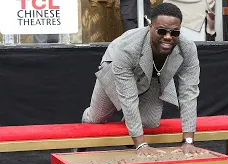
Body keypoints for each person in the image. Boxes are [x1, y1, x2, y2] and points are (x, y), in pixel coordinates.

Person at [80, 3, 205, 156]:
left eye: (174, 32)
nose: (168, 36)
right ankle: (88, 122)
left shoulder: (187, 48)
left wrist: (188, 142)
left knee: (150, 123)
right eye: (162, 31)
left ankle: (131, 122)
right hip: (115, 68)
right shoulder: (128, 47)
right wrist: (141, 144)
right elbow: (128, 96)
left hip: (154, 76)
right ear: (150, 26)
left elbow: (189, 93)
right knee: (96, 118)